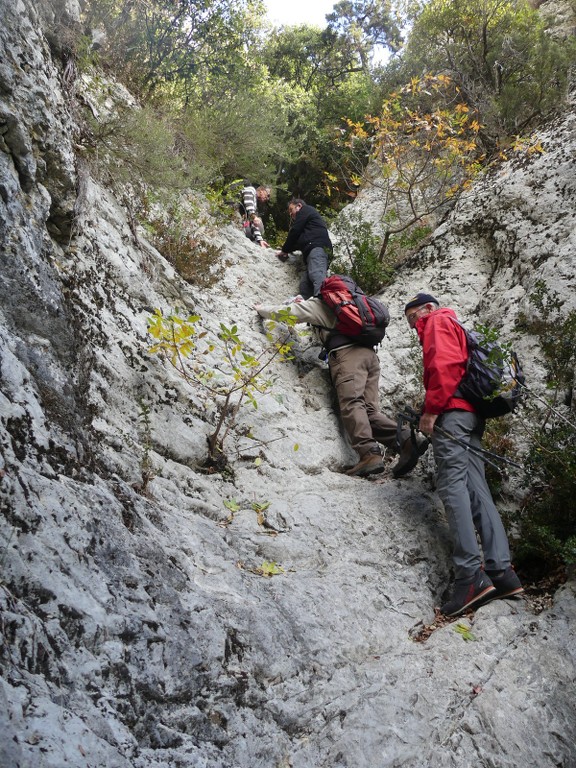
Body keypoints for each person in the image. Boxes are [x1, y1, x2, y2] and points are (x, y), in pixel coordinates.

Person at [404, 292, 524, 617]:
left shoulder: (437, 320)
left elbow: (445, 367)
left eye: (413, 317)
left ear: (427, 308)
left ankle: (470, 576)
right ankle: (502, 572)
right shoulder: (455, 325)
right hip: (471, 416)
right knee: (477, 489)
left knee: (451, 485)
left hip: (452, 415)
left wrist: (430, 412)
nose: (414, 326)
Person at [255, 293, 428, 478]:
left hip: (348, 357)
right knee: (368, 412)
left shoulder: (321, 303)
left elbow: (288, 312)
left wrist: (261, 309)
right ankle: (407, 439)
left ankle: (369, 454)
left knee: (352, 404)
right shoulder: (353, 305)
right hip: (370, 357)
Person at [277, 199, 332, 299]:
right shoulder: (309, 227)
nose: (290, 214)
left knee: (317, 276)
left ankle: (322, 303)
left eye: (291, 209)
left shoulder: (305, 210)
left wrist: (284, 250)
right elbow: (298, 242)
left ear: (299, 206)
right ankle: (307, 305)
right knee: (305, 286)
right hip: (314, 252)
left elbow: (295, 231)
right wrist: (287, 250)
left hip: (317, 249)